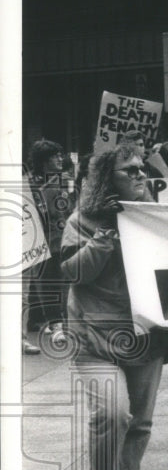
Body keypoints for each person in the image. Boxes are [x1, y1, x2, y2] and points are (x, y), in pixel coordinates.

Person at [60, 143, 165, 470]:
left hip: (145, 334)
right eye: (130, 170)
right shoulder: (81, 220)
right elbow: (72, 273)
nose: (140, 174)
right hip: (93, 337)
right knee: (111, 412)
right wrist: (102, 240)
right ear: (108, 178)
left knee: (140, 420)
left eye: (142, 168)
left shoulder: (157, 217)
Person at [26, 139, 76, 345]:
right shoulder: (32, 183)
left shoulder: (64, 180)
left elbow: (70, 208)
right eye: (54, 156)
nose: (60, 159)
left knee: (58, 282)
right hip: (42, 240)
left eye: (60, 155)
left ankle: (45, 320)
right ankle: (55, 324)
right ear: (43, 160)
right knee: (49, 283)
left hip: (62, 238)